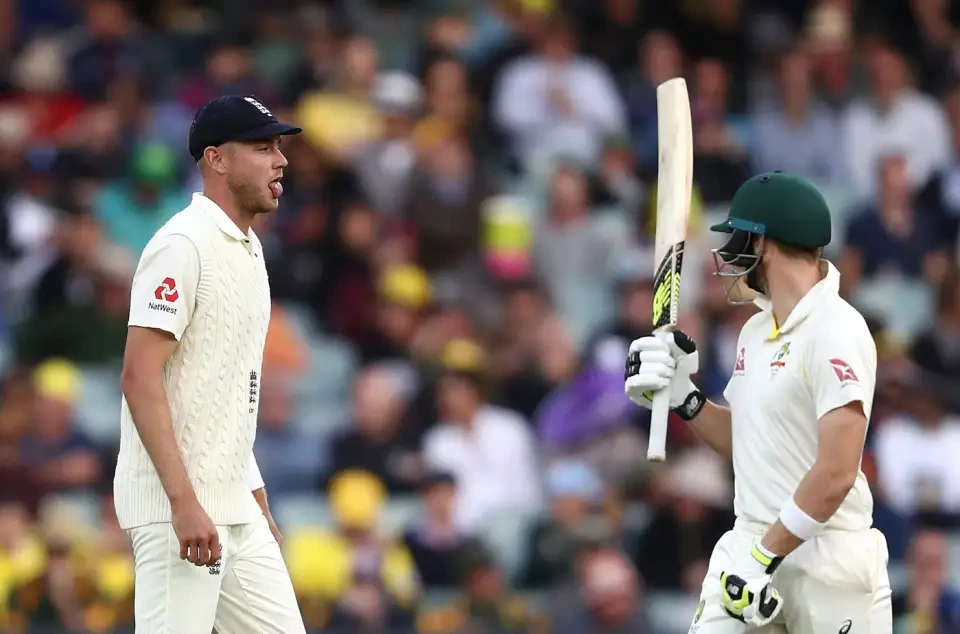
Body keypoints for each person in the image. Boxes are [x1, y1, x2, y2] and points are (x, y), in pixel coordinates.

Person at [624, 172, 892, 633]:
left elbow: (837, 473)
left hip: (829, 558)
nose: (729, 253)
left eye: (737, 238)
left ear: (762, 243)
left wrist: (764, 555)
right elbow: (748, 440)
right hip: (750, 541)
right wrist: (685, 399)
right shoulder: (754, 331)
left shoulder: (837, 330)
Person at [113, 95, 305, 633]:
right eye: (263, 147)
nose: (280, 161)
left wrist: (255, 495)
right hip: (182, 510)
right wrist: (183, 502)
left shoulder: (248, 249)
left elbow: (230, 390)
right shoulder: (181, 245)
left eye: (279, 148)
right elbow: (138, 376)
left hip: (234, 505)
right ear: (217, 160)